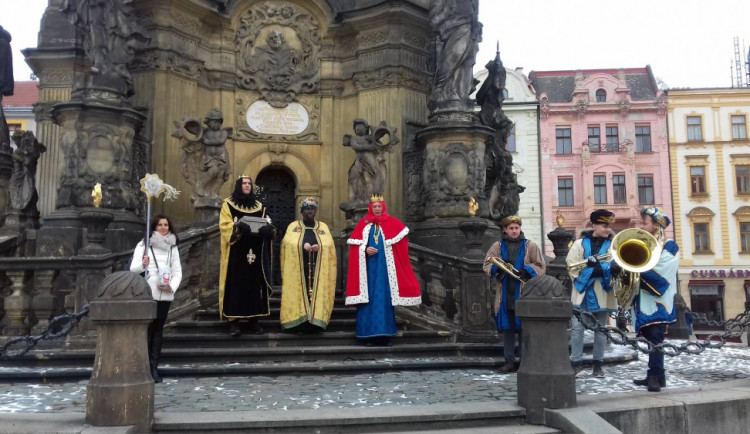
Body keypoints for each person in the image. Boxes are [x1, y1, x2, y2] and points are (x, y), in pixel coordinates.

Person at [345, 194, 421, 345]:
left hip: (385, 272)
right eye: (375, 207)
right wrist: (365, 250)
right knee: (368, 301)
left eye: (380, 206)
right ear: (371, 208)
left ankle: (385, 335)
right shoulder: (363, 225)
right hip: (368, 273)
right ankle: (368, 335)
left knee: (384, 301)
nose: (377, 209)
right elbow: (355, 248)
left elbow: (402, 246)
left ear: (384, 207)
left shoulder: (393, 224)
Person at [482, 215, 545, 373]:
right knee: (508, 329)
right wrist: (500, 269)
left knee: (525, 330)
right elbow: (487, 264)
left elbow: (541, 265)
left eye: (516, 228)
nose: (514, 231)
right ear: (505, 230)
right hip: (505, 294)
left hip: (524, 293)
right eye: (511, 228)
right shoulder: (497, 245)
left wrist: (527, 270)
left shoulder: (530, 245)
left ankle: (525, 361)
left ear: (520, 228)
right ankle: (509, 361)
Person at [219, 175, 275, 336]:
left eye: (249, 183)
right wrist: (237, 227)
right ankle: (233, 322)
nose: (247, 185)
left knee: (255, 286)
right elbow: (224, 225)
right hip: (236, 254)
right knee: (235, 286)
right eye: (244, 183)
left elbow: (268, 222)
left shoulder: (259, 206)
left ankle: (253, 321)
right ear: (238, 185)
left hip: (256, 254)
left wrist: (269, 230)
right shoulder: (228, 204)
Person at [630, 206, 679, 392]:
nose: (641, 226)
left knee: (656, 338)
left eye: (645, 223)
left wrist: (635, 267)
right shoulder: (643, 245)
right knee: (651, 337)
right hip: (644, 300)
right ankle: (657, 375)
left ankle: (655, 377)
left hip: (659, 301)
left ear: (657, 226)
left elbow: (662, 270)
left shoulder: (670, 246)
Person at [129, 214, 182, 383]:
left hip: (165, 293)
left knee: (158, 330)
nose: (163, 227)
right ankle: (142, 366)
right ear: (154, 227)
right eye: (160, 225)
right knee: (147, 330)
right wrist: (143, 264)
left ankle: (154, 366)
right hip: (148, 292)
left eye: (166, 225)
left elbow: (177, 272)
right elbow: (133, 269)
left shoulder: (173, 247)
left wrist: (171, 286)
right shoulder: (144, 244)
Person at [566, 209, 618, 378]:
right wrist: (598, 269)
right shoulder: (579, 244)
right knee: (576, 329)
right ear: (594, 225)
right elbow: (572, 266)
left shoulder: (614, 246)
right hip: (582, 294)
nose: (608, 229)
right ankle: (575, 363)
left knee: (601, 331)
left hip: (602, 293)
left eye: (609, 226)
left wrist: (596, 268)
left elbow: (615, 268)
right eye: (604, 226)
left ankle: (598, 365)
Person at [280, 197, 337, 332]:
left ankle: (315, 322)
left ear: (315, 211)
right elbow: (287, 243)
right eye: (307, 209)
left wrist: (321, 247)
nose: (310, 211)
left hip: (318, 268)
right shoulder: (293, 226)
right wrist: (301, 245)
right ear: (302, 211)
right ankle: (297, 321)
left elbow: (330, 245)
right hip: (299, 268)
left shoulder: (323, 227)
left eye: (312, 209)